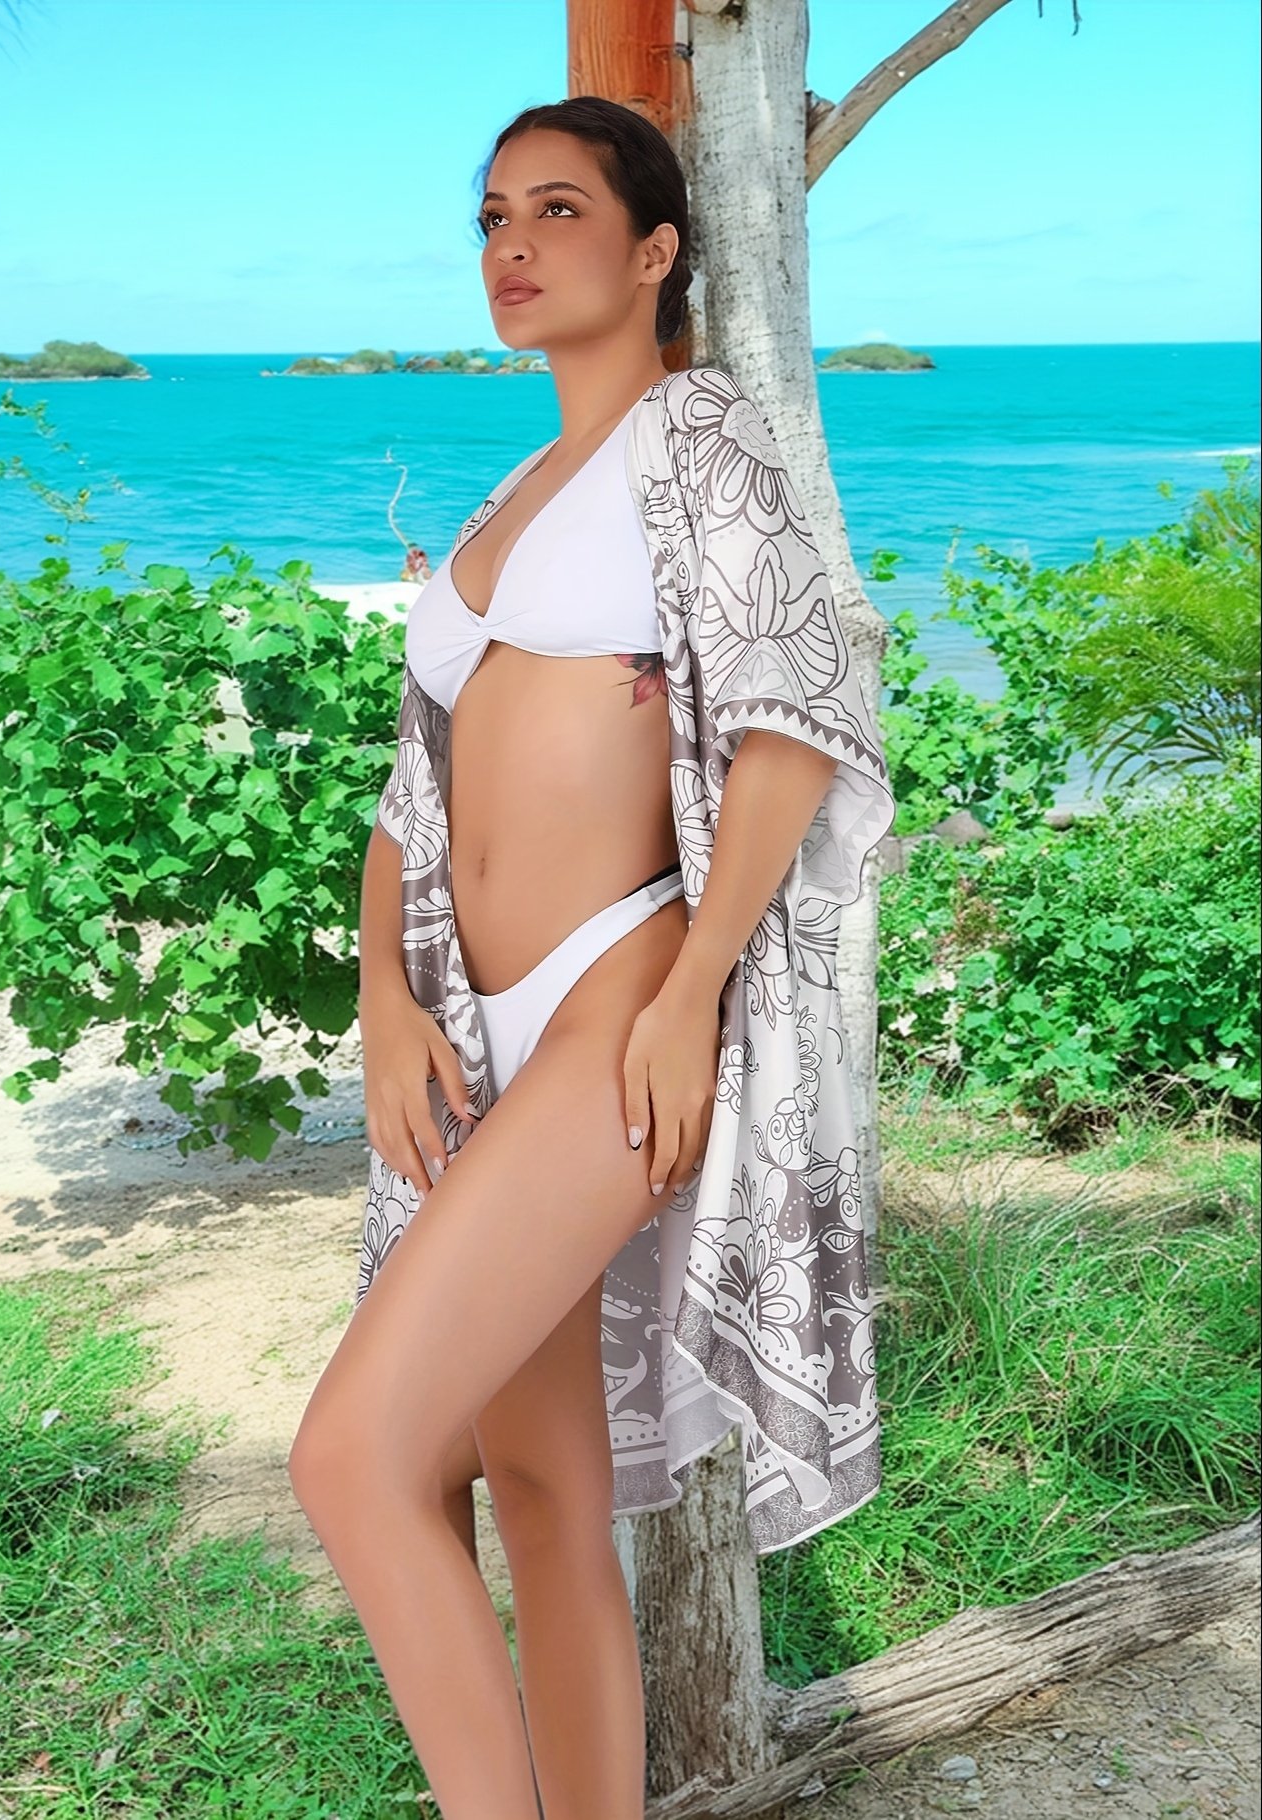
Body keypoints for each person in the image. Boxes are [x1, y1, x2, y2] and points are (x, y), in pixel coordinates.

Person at [289, 97, 894, 1820]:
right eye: (492, 216)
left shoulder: (699, 435)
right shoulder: (513, 493)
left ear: (652, 252)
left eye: (557, 211)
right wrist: (382, 994)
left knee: (353, 1458)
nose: (512, 245)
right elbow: (415, 780)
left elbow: (791, 715)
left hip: (615, 992)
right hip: (467, 1021)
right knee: (544, 1494)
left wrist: (694, 992)